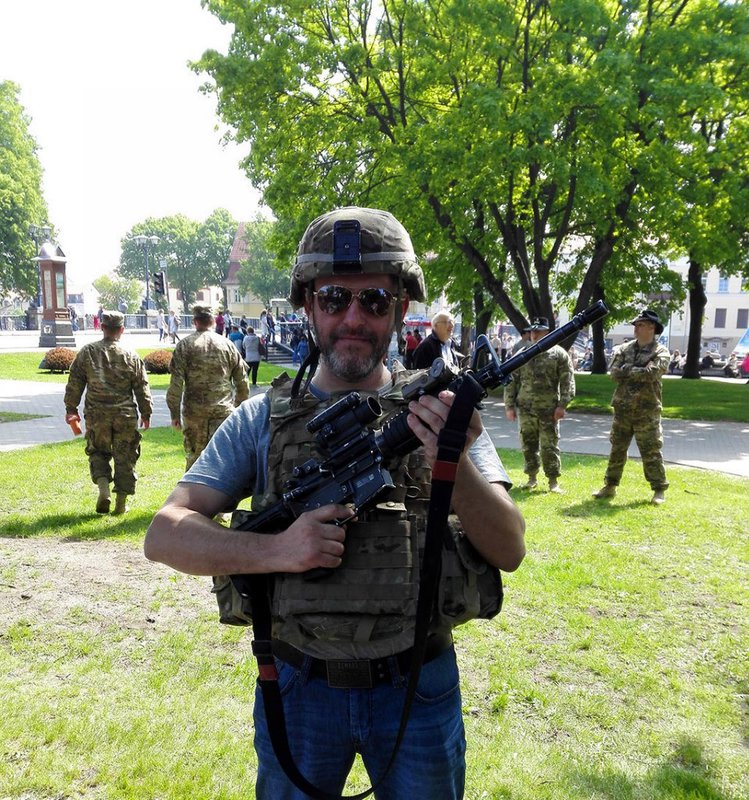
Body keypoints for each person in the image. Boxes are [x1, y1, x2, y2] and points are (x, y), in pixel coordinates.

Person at [145, 206, 526, 799]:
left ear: (400, 307)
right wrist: (279, 549)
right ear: (308, 305)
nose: (353, 317)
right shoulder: (261, 419)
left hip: (418, 684)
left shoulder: (440, 411)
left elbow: (509, 549)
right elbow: (164, 533)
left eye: (374, 300)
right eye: (333, 299)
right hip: (301, 686)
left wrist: (451, 462)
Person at [64, 310, 152, 515]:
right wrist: (146, 413)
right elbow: (142, 386)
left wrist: (71, 409)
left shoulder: (87, 352)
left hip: (97, 414)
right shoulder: (131, 355)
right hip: (125, 415)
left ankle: (104, 489)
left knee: (98, 452)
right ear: (122, 329)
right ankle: (121, 504)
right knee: (125, 457)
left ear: (102, 327)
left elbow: (75, 382)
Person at [593, 309, 671, 505]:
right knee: (617, 448)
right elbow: (614, 373)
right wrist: (639, 369)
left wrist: (627, 370)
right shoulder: (624, 349)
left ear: (652, 327)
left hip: (647, 410)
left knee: (651, 449)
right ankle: (610, 486)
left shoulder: (661, 351)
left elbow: (653, 374)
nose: (636, 328)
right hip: (623, 408)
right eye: (635, 325)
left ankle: (659, 489)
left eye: (641, 325)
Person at [166, 306, 249, 470]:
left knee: (195, 460)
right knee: (223, 462)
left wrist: (174, 414)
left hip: (194, 414)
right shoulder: (227, 345)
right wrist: (238, 409)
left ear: (195, 321)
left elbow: (176, 384)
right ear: (212, 321)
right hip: (223, 413)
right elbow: (242, 383)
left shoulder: (184, 346)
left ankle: (192, 487)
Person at [504, 316, 575, 493]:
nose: (534, 335)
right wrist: (509, 406)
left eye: (538, 331)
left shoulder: (558, 354)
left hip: (549, 409)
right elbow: (511, 381)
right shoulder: (522, 354)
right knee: (528, 444)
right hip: (526, 408)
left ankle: (553, 481)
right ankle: (531, 478)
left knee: (549, 445)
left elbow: (567, 381)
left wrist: (563, 405)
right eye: (532, 331)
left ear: (547, 332)